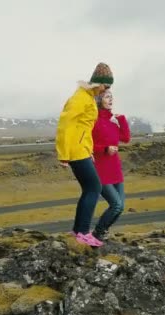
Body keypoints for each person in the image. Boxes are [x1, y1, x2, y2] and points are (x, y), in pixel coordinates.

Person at [55, 62, 114, 247]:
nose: (106, 90)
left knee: (90, 189)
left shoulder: (88, 97)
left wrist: (89, 151)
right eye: (106, 86)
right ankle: (83, 232)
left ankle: (78, 230)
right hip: (75, 151)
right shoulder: (80, 97)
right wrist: (63, 154)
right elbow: (66, 125)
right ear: (98, 82)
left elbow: (84, 129)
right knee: (94, 188)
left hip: (81, 150)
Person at [90, 89, 130, 241]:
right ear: (99, 100)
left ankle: (103, 231)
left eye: (112, 97)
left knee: (120, 208)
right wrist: (105, 149)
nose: (111, 99)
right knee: (116, 205)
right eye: (107, 97)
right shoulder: (94, 120)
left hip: (115, 170)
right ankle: (98, 232)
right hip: (101, 170)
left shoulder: (113, 122)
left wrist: (122, 120)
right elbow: (88, 145)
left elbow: (125, 138)